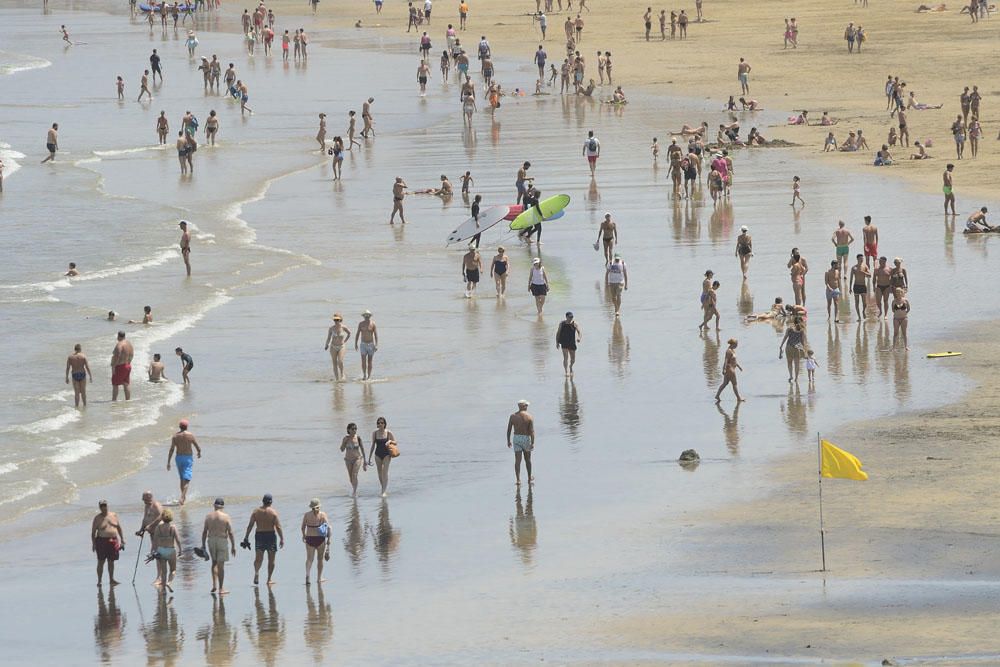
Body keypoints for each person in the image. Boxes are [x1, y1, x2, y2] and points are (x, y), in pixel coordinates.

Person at [242, 494, 284, 586]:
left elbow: (250, 525)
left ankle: (256, 573)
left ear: (262, 501)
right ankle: (269, 579)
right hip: (271, 536)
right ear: (271, 502)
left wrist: (246, 537)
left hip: (259, 536)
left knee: (258, 558)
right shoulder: (273, 512)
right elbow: (278, 526)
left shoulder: (256, 512)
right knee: (271, 560)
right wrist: (282, 538)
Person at [201, 498, 236, 594]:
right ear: (223, 506)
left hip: (211, 540)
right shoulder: (226, 517)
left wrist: (203, 545)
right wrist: (233, 546)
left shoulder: (208, 516)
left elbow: (204, 532)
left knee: (214, 563)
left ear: (214, 505)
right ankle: (221, 588)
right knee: (221, 565)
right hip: (222, 540)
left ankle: (214, 585)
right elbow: (231, 532)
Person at [167, 419, 201, 505]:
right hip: (187, 458)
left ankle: (183, 498)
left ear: (179, 426)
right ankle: (182, 497)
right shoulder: (190, 435)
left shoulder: (175, 436)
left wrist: (168, 462)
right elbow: (197, 446)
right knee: (187, 479)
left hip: (178, 458)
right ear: (187, 426)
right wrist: (199, 452)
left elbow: (171, 450)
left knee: (182, 479)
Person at [92, 500, 125, 586]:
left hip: (113, 540)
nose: (103, 507)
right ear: (99, 507)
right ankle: (99, 581)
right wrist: (94, 544)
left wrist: (122, 540)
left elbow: (119, 528)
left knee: (111, 561)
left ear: (107, 506)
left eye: (105, 505)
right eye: (102, 506)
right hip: (101, 541)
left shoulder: (113, 515)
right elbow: (93, 533)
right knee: (101, 561)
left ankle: (111, 579)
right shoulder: (97, 518)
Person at [150, 509, 181, 592]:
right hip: (171, 550)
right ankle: (169, 583)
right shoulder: (173, 527)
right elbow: (178, 540)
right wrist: (180, 550)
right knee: (173, 570)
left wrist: (152, 552)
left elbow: (154, 541)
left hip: (161, 551)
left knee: (164, 572)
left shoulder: (158, 527)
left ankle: (163, 590)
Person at [301, 499, 330, 585]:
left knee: (309, 559)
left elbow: (302, 527)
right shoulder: (322, 515)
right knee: (320, 559)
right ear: (319, 506)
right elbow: (328, 527)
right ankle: (319, 578)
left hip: (309, 538)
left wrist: (304, 535)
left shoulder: (306, 515)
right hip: (320, 539)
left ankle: (307, 575)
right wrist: (329, 540)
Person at [507, 400, 535, 486]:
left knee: (517, 460)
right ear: (524, 406)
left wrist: (508, 440)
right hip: (525, 438)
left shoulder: (513, 416)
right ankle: (529, 477)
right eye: (526, 406)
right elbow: (532, 431)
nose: (527, 407)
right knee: (528, 460)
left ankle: (518, 480)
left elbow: (509, 429)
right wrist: (532, 442)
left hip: (516, 438)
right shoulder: (529, 416)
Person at [367, 417, 396, 497]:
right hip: (377, 454)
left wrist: (390, 441)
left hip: (386, 454)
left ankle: (383, 491)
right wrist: (369, 458)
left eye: (382, 423)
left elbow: (395, 442)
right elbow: (373, 445)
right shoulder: (375, 433)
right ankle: (383, 488)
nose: (380, 424)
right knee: (379, 473)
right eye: (379, 423)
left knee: (385, 472)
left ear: (385, 424)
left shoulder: (388, 432)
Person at [340, 423, 367, 496]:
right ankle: (354, 488)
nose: (354, 430)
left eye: (355, 428)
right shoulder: (345, 438)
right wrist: (345, 442)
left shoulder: (358, 438)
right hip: (348, 460)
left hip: (357, 458)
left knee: (354, 474)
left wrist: (365, 462)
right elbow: (342, 449)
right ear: (348, 430)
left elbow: (363, 449)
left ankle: (354, 492)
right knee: (350, 477)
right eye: (352, 429)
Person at [778, 318, 808, 383]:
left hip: (789, 347)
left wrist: (781, 345)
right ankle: (796, 378)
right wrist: (804, 351)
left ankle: (791, 376)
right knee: (797, 364)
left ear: (794, 322)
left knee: (789, 363)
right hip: (797, 348)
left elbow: (785, 337)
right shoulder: (802, 331)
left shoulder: (789, 329)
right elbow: (803, 342)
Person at [324, 313, 351, 381]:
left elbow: (349, 333)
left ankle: (342, 374)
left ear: (340, 319)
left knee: (340, 361)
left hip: (341, 346)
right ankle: (337, 378)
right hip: (333, 346)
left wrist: (345, 341)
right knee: (334, 362)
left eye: (337, 319)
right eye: (335, 320)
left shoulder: (343, 327)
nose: (336, 321)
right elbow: (328, 338)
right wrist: (326, 344)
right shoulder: (331, 328)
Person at [66, 343, 93, 408]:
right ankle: (85, 406)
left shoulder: (70, 357)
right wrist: (90, 376)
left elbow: (68, 368)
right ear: (80, 349)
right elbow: (87, 367)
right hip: (82, 374)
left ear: (74, 349)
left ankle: (76, 407)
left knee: (77, 393)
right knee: (83, 392)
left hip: (74, 374)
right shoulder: (83, 356)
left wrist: (66, 377)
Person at [354, 310, 378, 381]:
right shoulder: (361, 324)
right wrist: (355, 344)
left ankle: (369, 376)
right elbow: (357, 334)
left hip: (371, 344)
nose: (367, 317)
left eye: (368, 315)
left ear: (370, 316)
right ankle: (364, 375)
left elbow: (376, 335)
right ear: (363, 316)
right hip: (363, 344)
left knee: (370, 361)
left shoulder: (373, 324)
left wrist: (376, 345)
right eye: (365, 315)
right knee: (363, 361)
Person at [110, 331, 134, 401]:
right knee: (126, 383)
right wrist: (129, 363)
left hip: (120, 366)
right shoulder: (129, 344)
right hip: (127, 365)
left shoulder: (119, 344)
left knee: (115, 384)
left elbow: (117, 355)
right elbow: (132, 354)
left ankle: (114, 401)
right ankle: (128, 400)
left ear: (118, 336)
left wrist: (114, 366)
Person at [850, 253, 871, 319]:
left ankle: (863, 311)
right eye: (860, 259)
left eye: (862, 259)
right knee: (857, 302)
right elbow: (851, 278)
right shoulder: (854, 267)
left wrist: (864, 272)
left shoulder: (865, 266)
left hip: (863, 286)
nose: (862, 260)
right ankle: (859, 317)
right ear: (857, 259)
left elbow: (870, 275)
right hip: (856, 286)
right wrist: (850, 288)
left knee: (865, 303)